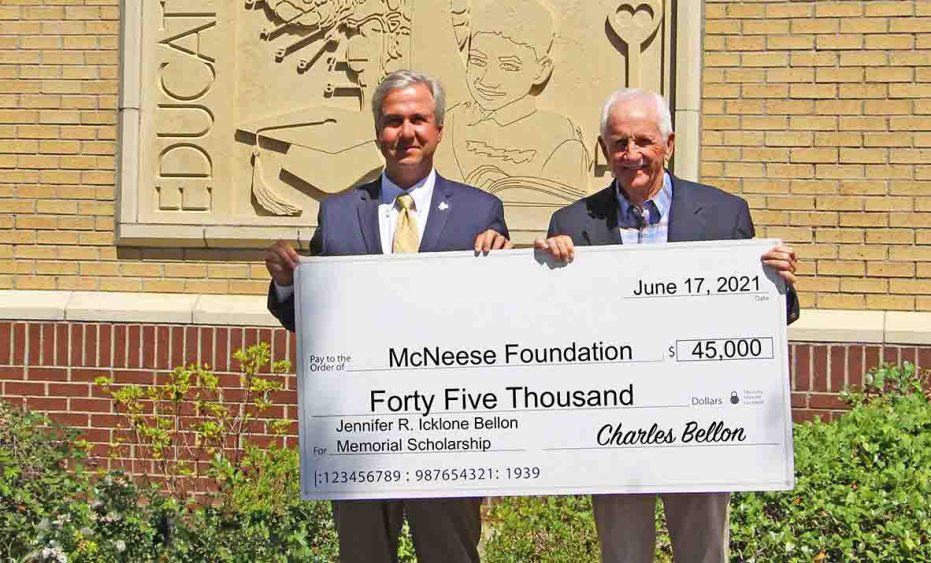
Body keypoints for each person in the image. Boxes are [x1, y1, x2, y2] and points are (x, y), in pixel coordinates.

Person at [534, 88, 800, 563]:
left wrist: (776, 281)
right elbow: (553, 328)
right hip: (613, 423)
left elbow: (763, 316)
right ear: (603, 150)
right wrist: (546, 271)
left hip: (700, 421)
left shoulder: (723, 213)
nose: (631, 154)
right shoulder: (572, 223)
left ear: (669, 144)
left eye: (643, 140)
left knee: (702, 553)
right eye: (619, 143)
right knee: (623, 554)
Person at [264, 69, 510, 563]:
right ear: (378, 132)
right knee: (363, 554)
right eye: (394, 121)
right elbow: (311, 320)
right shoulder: (337, 212)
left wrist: (502, 266)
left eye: (418, 120)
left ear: (439, 129)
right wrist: (289, 282)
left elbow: (498, 315)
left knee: (449, 554)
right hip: (361, 427)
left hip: (446, 428)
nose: (406, 133)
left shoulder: (478, 211)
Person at [437, 0, 589, 194]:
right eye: (477, 60)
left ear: (541, 70)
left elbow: (568, 213)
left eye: (509, 66)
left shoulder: (560, 136)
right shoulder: (450, 122)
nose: (487, 80)